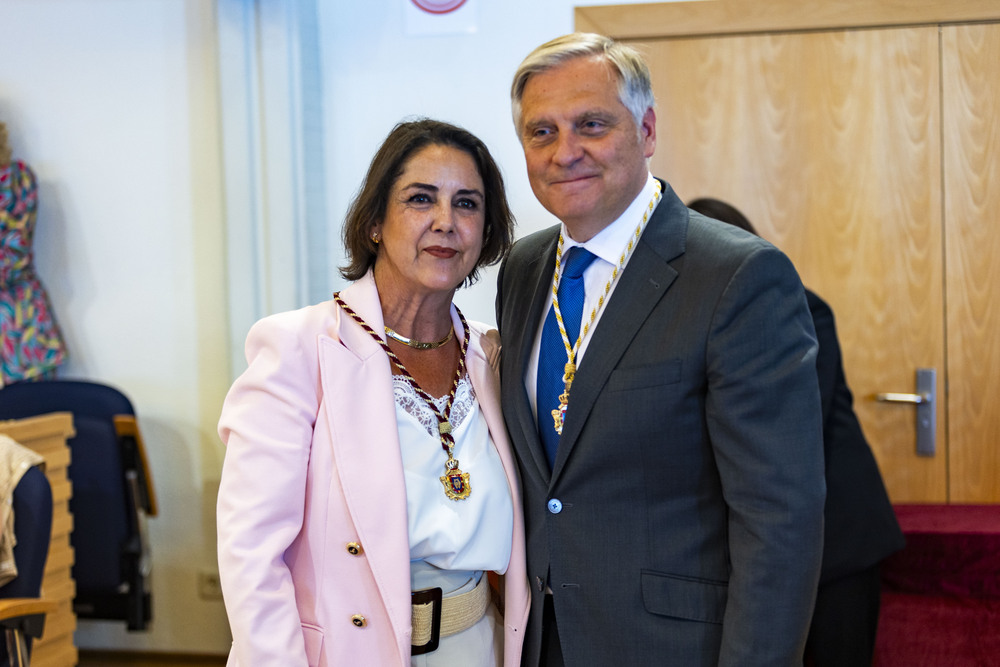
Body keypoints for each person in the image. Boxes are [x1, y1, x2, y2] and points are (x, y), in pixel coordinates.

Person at [496, 33, 826, 665]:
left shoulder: (735, 276)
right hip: (543, 642)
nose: (566, 152)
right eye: (542, 133)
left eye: (592, 124)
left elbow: (779, 520)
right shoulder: (524, 267)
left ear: (646, 130)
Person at [217, 118, 530, 666]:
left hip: (479, 648)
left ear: (486, 233)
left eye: (467, 204)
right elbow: (251, 556)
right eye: (420, 199)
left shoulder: (495, 357)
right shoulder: (299, 348)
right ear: (375, 224)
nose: (445, 222)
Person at [687, 197, 905, 667]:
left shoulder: (799, 306)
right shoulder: (706, 321)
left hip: (840, 543)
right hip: (766, 551)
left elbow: (788, 424)